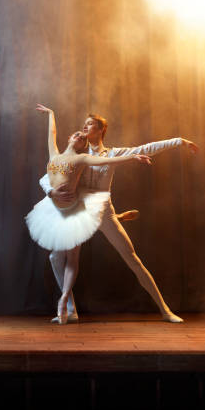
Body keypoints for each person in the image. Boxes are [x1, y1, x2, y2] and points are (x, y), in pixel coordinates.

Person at [40, 113, 199, 324]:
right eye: (84, 124)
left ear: (100, 130)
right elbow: (48, 176)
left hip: (105, 212)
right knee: (55, 257)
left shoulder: (114, 153)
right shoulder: (78, 154)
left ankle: (165, 310)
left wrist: (179, 141)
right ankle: (70, 310)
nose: (85, 127)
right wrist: (52, 193)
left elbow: (145, 148)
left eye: (90, 124)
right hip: (79, 212)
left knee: (133, 259)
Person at [25, 104, 153, 324]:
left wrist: (132, 158)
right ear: (69, 138)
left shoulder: (82, 159)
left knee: (72, 258)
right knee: (57, 256)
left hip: (74, 211)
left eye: (84, 139)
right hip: (55, 212)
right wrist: (51, 114)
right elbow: (51, 134)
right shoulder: (54, 153)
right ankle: (68, 307)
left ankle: (64, 299)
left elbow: (107, 160)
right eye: (78, 135)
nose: (81, 138)